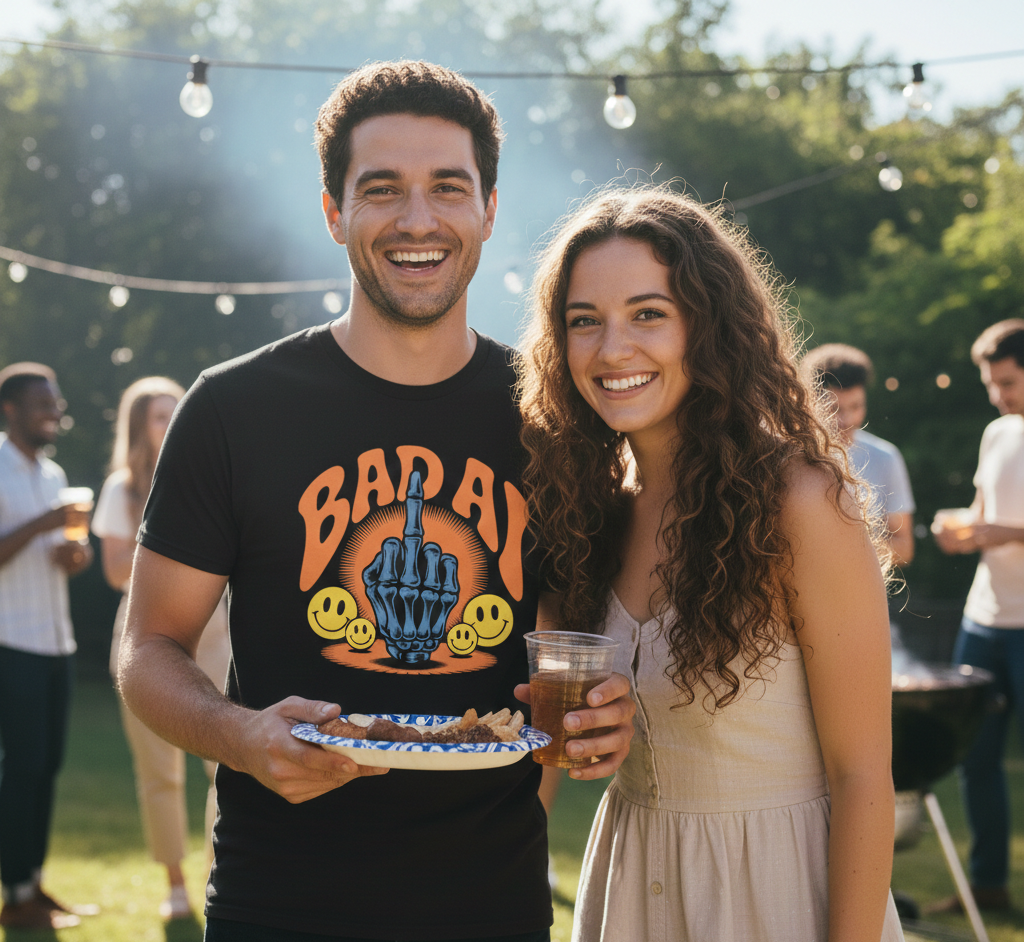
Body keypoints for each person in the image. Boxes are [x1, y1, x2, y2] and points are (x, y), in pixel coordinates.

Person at [116, 60, 635, 942]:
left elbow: (567, 649)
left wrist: (598, 716)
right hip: (278, 904)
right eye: (381, 189)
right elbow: (148, 647)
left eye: (448, 187)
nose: (418, 219)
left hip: (491, 905)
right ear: (334, 212)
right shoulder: (233, 408)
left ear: (489, 210)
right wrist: (239, 736)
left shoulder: (559, 420)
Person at [518, 186, 903, 941]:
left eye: (648, 314)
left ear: (709, 326)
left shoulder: (800, 499)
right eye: (583, 322)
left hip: (779, 896)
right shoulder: (584, 511)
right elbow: (545, 755)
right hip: (630, 894)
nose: (611, 348)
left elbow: (863, 777)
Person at [92, 376, 230, 920]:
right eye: (157, 415)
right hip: (145, 626)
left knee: (228, 761)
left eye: (176, 411)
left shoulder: (204, 476)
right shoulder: (121, 490)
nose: (170, 421)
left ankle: (218, 871)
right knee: (160, 769)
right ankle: (174, 882)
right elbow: (110, 571)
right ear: (138, 427)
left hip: (216, 629)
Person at [931, 318, 1024, 912]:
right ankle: (987, 886)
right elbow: (982, 511)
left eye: (1008, 382)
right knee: (975, 758)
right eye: (991, 384)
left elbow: (1003, 525)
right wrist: (959, 529)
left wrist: (1000, 532)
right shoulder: (997, 434)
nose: (998, 395)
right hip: (983, 621)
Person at [0, 362, 95, 930]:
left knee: (47, 767)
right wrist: (44, 526)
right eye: (43, 404)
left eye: (56, 403)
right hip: (11, 641)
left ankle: (33, 882)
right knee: (23, 766)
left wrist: (74, 555)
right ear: (11, 410)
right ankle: (16, 895)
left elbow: (66, 554)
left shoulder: (55, 475)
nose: (54, 413)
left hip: (56, 641)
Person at [801, 343, 915, 567]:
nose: (848, 420)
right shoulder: (794, 457)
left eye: (857, 406)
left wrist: (841, 549)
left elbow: (904, 548)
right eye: (835, 409)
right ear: (811, 403)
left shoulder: (885, 457)